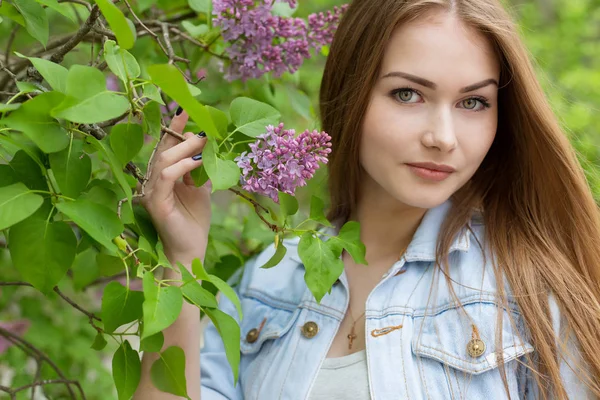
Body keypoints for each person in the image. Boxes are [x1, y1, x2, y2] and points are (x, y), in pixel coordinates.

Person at [134, 0, 600, 398]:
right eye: (407, 93)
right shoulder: (265, 287)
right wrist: (180, 258)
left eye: (473, 102)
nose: (443, 137)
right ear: (351, 93)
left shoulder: (530, 291)